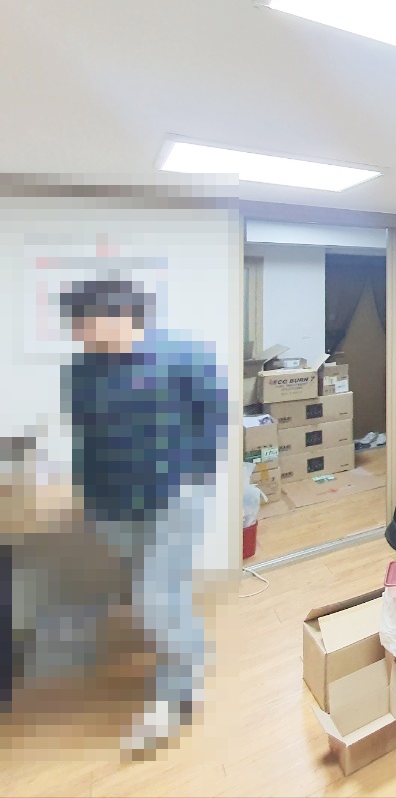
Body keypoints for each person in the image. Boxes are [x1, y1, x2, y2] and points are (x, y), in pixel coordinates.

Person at [59, 278, 226, 755]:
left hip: (171, 499)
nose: (83, 336)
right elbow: (84, 438)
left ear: (121, 317)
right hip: (112, 504)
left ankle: (176, 697)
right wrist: (86, 501)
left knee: (159, 598)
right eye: (78, 328)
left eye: (88, 325)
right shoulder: (82, 370)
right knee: (144, 598)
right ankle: (188, 654)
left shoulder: (180, 356)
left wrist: (191, 476)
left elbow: (212, 416)